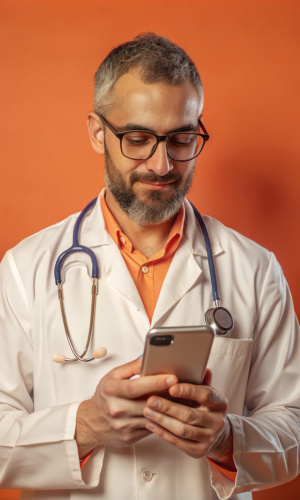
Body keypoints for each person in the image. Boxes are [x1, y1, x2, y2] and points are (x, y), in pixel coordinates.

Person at [0, 33, 299, 500]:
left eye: (182, 139)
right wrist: (84, 427)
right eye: (137, 139)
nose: (162, 164)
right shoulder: (25, 269)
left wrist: (226, 439)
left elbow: (293, 427)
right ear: (98, 132)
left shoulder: (256, 270)